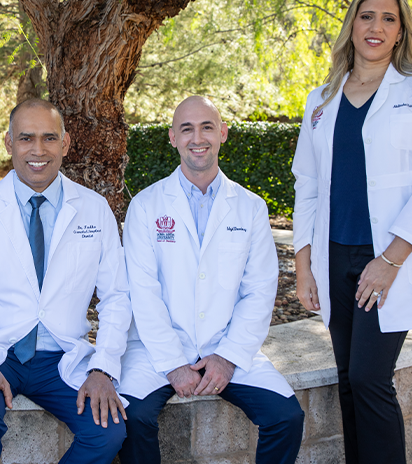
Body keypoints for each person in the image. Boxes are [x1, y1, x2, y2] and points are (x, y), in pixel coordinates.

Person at [292, 0, 412, 464]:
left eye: (388, 19)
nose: (376, 26)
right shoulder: (321, 100)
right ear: (352, 25)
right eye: (367, 16)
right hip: (333, 256)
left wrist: (389, 261)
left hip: (388, 257)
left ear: (400, 32)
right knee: (350, 380)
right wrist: (304, 265)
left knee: (371, 380)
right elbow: (307, 185)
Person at [0, 98, 131, 464]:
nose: (38, 150)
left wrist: (103, 367)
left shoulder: (93, 209)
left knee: (108, 431)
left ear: (65, 143)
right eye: (26, 138)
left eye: (49, 138)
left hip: (62, 354)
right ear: (9, 143)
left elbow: (117, 296)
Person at [117, 96, 304, 464]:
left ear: (223, 133)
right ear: (172, 137)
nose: (197, 137)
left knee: (286, 417)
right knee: (132, 418)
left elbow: (260, 290)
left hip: (227, 346)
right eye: (186, 128)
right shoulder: (146, 205)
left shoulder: (250, 206)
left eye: (207, 127)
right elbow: (142, 291)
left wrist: (229, 357)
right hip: (157, 352)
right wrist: (173, 363)